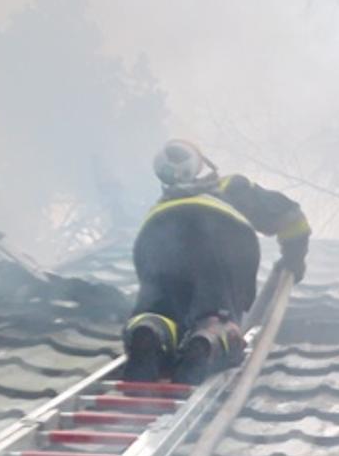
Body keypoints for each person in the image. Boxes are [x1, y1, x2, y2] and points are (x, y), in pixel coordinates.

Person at [123, 140, 311, 383]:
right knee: (216, 315)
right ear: (199, 165)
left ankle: (148, 333)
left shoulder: (164, 201)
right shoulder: (231, 186)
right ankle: (208, 339)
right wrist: (294, 259)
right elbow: (291, 216)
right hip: (221, 236)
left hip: (157, 235)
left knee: (160, 310)